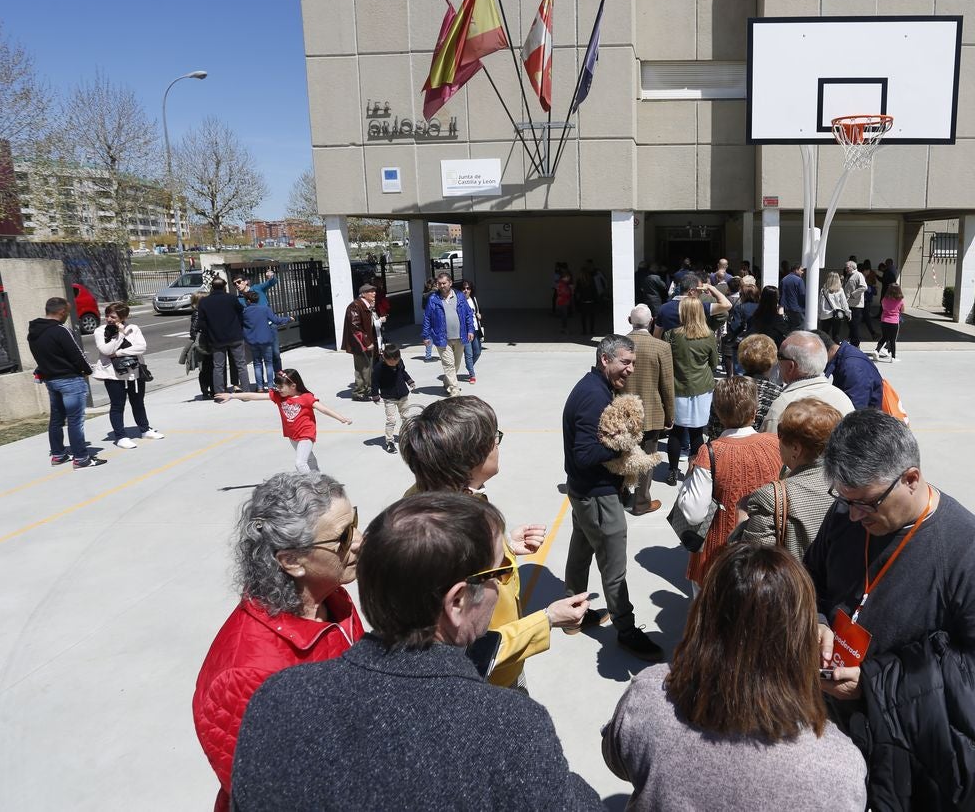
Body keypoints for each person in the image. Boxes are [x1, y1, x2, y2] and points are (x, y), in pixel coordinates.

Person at [230, 493, 603, 811]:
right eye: (499, 573)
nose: (501, 583)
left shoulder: (276, 700)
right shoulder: (511, 725)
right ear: (457, 601)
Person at [807, 411, 975, 810]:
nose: (854, 516)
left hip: (908, 753)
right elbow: (811, 579)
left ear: (910, 479)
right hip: (835, 728)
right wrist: (818, 622)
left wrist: (874, 684)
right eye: (844, 500)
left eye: (866, 504)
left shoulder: (970, 553)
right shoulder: (847, 516)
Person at [603, 543, 867, 811]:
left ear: (702, 617)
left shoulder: (648, 698)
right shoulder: (839, 767)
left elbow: (616, 759)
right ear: (800, 636)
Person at [192, 472, 363, 812]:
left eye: (355, 523)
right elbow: (269, 795)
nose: (359, 540)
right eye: (343, 537)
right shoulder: (243, 676)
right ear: (292, 561)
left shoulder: (334, 602)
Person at [400, 396, 591, 689]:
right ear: (470, 458)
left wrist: (506, 547)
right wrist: (549, 619)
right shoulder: (445, 534)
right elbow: (474, 649)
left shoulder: (434, 499)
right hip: (488, 679)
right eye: (493, 439)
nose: (498, 445)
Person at [562, 333, 665, 661]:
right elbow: (584, 454)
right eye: (625, 362)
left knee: (580, 554)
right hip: (597, 496)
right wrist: (623, 440)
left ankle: (573, 614)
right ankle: (626, 629)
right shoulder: (594, 397)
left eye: (633, 363)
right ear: (604, 359)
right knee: (614, 567)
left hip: (583, 493)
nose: (631, 369)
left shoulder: (595, 387)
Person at [679, 377, 781, 590]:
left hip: (718, 553)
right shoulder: (776, 444)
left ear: (717, 413)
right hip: (766, 550)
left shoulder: (710, 452)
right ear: (754, 411)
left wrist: (687, 484)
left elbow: (694, 513)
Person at [739, 398, 842, 557]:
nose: (777, 439)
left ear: (795, 448)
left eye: (780, 433)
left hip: (795, 581)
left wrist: (741, 520)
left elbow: (754, 565)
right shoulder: (850, 484)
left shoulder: (771, 497)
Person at [215, 368, 353, 472]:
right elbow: (254, 396)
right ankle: (318, 476)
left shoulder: (306, 398)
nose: (278, 389)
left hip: (306, 434)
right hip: (292, 436)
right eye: (277, 387)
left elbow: (323, 409)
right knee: (309, 458)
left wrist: (341, 418)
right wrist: (232, 396)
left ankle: (312, 485)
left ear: (293, 386)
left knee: (300, 463)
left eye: (281, 387)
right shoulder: (279, 396)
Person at [27, 295, 102, 468]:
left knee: (56, 419)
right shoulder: (61, 330)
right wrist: (87, 371)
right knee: (75, 421)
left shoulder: (33, 332)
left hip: (51, 380)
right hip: (70, 380)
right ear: (61, 312)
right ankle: (81, 458)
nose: (68, 314)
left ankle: (58, 455)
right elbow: (76, 354)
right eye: (67, 311)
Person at [663, 297, 720, 487]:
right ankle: (695, 469)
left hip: (678, 388)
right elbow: (714, 363)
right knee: (697, 433)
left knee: (676, 432)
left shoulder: (671, 334)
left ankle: (672, 471)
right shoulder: (709, 335)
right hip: (701, 388)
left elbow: (666, 361)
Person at [623, 304, 673, 515]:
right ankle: (641, 503)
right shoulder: (661, 347)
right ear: (652, 320)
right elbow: (667, 385)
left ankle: (621, 494)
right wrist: (671, 414)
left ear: (629, 320)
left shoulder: (618, 344)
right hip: (651, 414)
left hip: (624, 412)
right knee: (647, 459)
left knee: (622, 456)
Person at [92, 301, 162, 448]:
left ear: (123, 317)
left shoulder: (133, 328)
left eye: (113, 317)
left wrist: (118, 353)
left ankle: (144, 429)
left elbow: (141, 347)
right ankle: (120, 436)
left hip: (134, 372)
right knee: (118, 405)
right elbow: (106, 350)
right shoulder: (100, 331)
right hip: (113, 374)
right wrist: (120, 335)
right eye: (107, 316)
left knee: (138, 402)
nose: (109, 319)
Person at [761, 331, 854, 433]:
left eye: (779, 356)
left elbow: (769, 447)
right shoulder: (843, 399)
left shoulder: (783, 405)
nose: (776, 361)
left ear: (791, 366)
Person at [421, 271, 476, 396]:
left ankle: (447, 381)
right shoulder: (433, 299)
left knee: (456, 364)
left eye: (444, 283)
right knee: (449, 364)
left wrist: (471, 330)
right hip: (442, 338)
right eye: (439, 284)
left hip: (460, 336)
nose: (441, 286)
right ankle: (454, 389)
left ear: (450, 283)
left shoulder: (460, 296)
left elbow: (468, 314)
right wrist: (426, 335)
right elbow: (427, 318)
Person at [198, 278, 250, 396]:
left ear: (212, 287)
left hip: (216, 338)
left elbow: (202, 323)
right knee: (241, 364)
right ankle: (246, 391)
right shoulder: (231, 298)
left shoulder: (204, 302)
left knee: (218, 367)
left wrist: (209, 333)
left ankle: (220, 393)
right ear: (224, 287)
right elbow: (241, 313)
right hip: (235, 336)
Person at [241, 290, 292, 393]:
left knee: (257, 363)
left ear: (249, 301)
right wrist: (288, 319)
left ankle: (259, 387)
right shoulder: (265, 309)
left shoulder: (244, 312)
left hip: (252, 341)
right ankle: (270, 386)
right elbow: (276, 320)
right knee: (269, 363)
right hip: (266, 339)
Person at [820, 331, 884, 410]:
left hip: (863, 419)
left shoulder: (853, 367)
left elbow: (854, 410)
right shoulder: (844, 357)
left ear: (821, 352)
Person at [372, 343, 416, 454]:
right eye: (390, 361)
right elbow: (374, 382)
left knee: (406, 417)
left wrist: (409, 381)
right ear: (384, 357)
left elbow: (403, 372)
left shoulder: (399, 362)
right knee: (391, 420)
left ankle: (408, 437)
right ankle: (390, 442)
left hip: (403, 395)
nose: (393, 363)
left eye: (396, 360)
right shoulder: (379, 368)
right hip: (389, 397)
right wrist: (375, 395)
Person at [653, 272, 730, 334]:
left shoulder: (663, 308)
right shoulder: (699, 307)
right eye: (700, 291)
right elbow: (727, 305)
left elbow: (657, 335)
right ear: (692, 291)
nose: (701, 293)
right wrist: (712, 288)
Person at [341, 283, 378, 401]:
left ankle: (368, 389)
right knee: (363, 368)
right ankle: (359, 393)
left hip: (369, 343)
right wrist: (367, 342)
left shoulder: (367, 305)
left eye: (374, 291)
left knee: (369, 368)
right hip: (360, 345)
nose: (374, 293)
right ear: (363, 294)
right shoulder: (355, 306)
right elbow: (355, 327)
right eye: (371, 291)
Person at [460, 279, 484, 383]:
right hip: (465, 331)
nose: (466, 290)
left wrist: (479, 315)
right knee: (468, 354)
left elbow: (478, 311)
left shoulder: (473, 299)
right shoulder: (459, 302)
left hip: (475, 329)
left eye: (468, 288)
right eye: (464, 288)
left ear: (471, 290)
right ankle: (472, 374)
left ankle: (469, 365)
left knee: (478, 351)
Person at [876, 282, 905, 362]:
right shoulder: (900, 301)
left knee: (884, 337)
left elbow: (883, 307)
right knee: (892, 340)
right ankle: (893, 357)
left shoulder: (884, 299)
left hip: (884, 321)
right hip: (894, 322)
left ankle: (876, 351)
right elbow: (902, 310)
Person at [818, 271, 850, 342]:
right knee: (836, 335)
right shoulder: (840, 290)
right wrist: (848, 313)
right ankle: (836, 351)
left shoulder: (823, 290)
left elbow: (819, 304)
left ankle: (825, 350)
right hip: (837, 315)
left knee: (824, 335)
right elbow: (844, 303)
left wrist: (819, 315)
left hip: (825, 315)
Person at [842, 261, 868, 348]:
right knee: (851, 325)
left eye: (847, 267)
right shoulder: (848, 275)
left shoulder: (858, 275)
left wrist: (854, 294)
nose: (846, 269)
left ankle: (856, 344)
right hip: (848, 304)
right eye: (845, 267)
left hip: (856, 306)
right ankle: (853, 343)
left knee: (854, 325)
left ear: (853, 267)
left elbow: (864, 287)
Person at [780, 264, 807, 330]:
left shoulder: (784, 279)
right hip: (798, 309)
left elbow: (780, 294)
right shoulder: (799, 280)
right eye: (801, 270)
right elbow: (803, 295)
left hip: (787, 309)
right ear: (796, 270)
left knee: (790, 328)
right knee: (800, 328)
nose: (803, 272)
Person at [420, 278, 438, 361]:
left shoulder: (424, 294)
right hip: (434, 316)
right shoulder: (435, 293)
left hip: (427, 315)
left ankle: (428, 355)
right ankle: (428, 356)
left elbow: (423, 307)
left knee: (428, 335)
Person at [553, 269, 574, 334]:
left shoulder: (562, 283)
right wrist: (571, 290)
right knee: (564, 316)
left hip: (562, 301)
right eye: (568, 277)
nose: (569, 279)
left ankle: (563, 328)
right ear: (565, 277)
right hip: (563, 301)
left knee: (563, 316)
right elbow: (565, 293)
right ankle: (564, 329)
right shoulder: (562, 283)